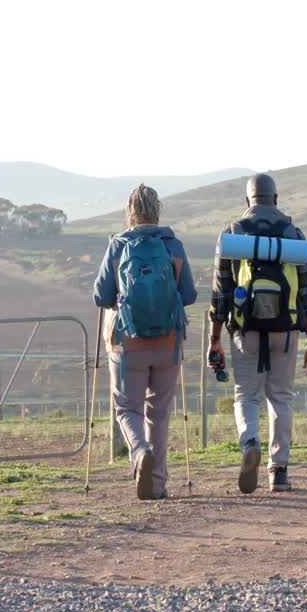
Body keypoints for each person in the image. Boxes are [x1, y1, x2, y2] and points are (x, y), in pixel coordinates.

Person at [208, 173, 307, 493]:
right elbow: (306, 297)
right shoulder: (293, 235)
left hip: (245, 329)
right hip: (285, 330)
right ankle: (279, 471)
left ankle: (250, 444)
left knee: (246, 394)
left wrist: (215, 339)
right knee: (281, 397)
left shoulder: (233, 235)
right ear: (276, 198)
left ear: (247, 202)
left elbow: (220, 295)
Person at [93, 184, 197, 500]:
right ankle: (157, 484)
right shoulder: (173, 246)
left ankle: (139, 451)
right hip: (168, 343)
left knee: (127, 408)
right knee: (160, 412)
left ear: (130, 211)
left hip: (126, 344)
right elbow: (190, 294)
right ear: (157, 210)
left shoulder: (117, 245)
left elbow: (101, 296)